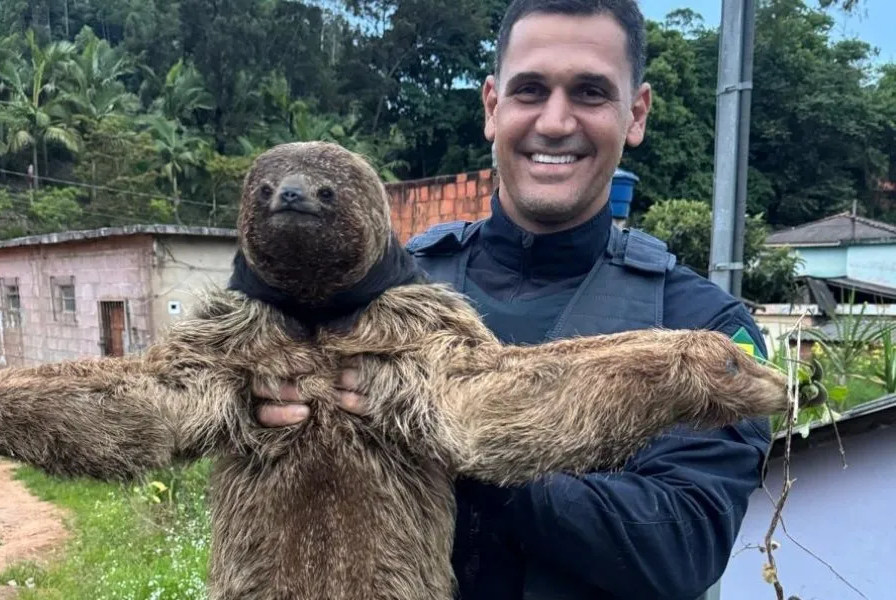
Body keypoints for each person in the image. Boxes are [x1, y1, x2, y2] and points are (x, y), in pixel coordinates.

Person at [252, 0, 772, 598]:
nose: (555, 121)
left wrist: (456, 438)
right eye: (530, 90)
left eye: (590, 93)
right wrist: (270, 407)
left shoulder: (703, 327)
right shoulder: (381, 294)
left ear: (636, 113)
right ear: (493, 107)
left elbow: (681, 545)